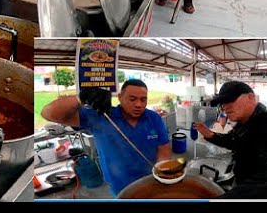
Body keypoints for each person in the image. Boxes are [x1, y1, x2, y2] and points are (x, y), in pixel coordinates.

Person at [40, 79, 170, 197]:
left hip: (152, 181)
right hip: (120, 187)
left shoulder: (153, 117)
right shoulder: (101, 116)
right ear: (119, 97)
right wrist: (81, 98)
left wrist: (161, 169)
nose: (139, 104)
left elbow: (163, 146)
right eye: (132, 99)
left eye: (143, 99)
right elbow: (48, 113)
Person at [194, 81, 267, 199]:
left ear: (251, 98)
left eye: (230, 100)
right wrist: (210, 135)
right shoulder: (246, 124)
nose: (225, 106)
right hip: (242, 182)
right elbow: (235, 142)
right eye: (222, 103)